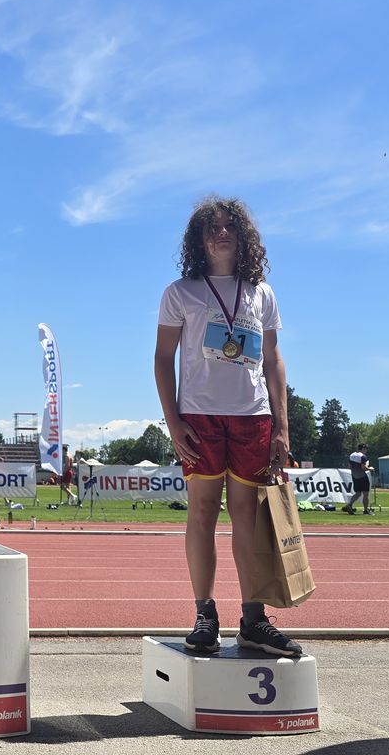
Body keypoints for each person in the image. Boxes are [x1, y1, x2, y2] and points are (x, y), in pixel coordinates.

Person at [155, 195, 301, 657]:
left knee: (247, 518)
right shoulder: (181, 292)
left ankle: (254, 619)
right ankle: (205, 614)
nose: (221, 233)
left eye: (229, 226)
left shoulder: (262, 292)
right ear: (198, 238)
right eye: (212, 227)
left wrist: (281, 426)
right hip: (199, 416)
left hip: (253, 417)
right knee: (201, 513)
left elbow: (274, 360)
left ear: (243, 235)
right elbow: (162, 359)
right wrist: (173, 421)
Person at [347, 443, 372, 515]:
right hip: (362, 476)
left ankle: (349, 504)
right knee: (365, 494)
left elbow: (349, 466)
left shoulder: (352, 455)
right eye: (366, 449)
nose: (366, 450)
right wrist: (370, 469)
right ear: (363, 448)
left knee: (358, 493)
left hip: (354, 476)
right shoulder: (363, 456)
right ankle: (365, 510)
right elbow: (363, 468)